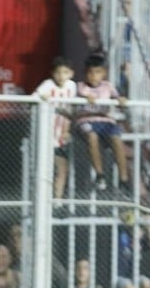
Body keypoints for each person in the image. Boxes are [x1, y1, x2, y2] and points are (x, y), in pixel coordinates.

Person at [75, 53, 131, 195]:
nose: (93, 76)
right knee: (92, 136)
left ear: (104, 73)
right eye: (90, 73)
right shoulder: (80, 87)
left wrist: (121, 100)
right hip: (87, 120)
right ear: (85, 73)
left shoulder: (108, 86)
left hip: (106, 121)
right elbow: (80, 96)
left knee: (117, 139)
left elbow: (118, 98)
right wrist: (86, 98)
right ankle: (100, 175)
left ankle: (124, 179)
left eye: (97, 72)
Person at [33, 56, 77, 199]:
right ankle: (43, 200)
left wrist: (66, 130)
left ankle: (57, 199)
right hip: (46, 135)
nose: (61, 76)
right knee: (45, 169)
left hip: (60, 137)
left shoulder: (72, 86)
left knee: (62, 168)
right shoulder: (47, 85)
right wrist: (41, 97)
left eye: (65, 72)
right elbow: (33, 98)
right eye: (58, 72)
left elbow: (70, 109)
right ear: (53, 73)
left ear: (71, 74)